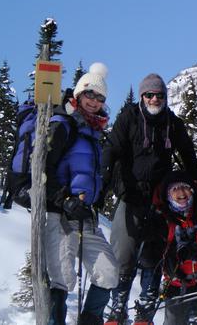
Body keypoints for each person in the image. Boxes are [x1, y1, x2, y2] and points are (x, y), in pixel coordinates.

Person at [101, 73, 197, 323]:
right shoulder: (129, 118)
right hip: (130, 195)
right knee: (123, 251)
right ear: (141, 97)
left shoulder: (172, 123)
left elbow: (189, 156)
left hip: (159, 198)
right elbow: (111, 150)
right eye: (150, 95)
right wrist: (102, 185)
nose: (154, 99)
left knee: (154, 253)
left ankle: (146, 308)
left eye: (159, 95)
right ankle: (118, 305)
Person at [45, 62, 119, 324]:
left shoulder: (94, 132)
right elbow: (44, 169)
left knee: (109, 272)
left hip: (86, 216)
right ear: (78, 94)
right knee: (62, 279)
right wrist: (63, 199)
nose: (94, 101)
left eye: (100, 98)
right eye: (90, 94)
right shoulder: (63, 124)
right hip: (60, 215)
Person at [150, 171, 197, 325]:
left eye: (185, 187)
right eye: (175, 189)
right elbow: (152, 254)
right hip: (177, 284)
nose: (182, 193)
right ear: (168, 194)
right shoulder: (162, 217)